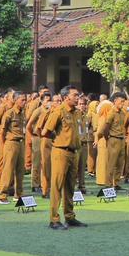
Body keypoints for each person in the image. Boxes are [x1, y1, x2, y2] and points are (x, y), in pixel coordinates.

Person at [41, 88, 84, 230]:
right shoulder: (59, 111)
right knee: (57, 186)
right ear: (66, 97)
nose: (78, 98)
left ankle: (70, 217)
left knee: (70, 186)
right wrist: (58, 140)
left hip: (74, 152)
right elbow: (45, 131)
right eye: (75, 95)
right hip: (61, 151)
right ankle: (54, 219)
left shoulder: (77, 113)